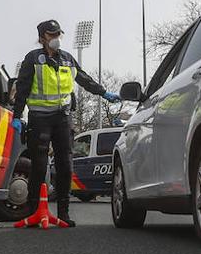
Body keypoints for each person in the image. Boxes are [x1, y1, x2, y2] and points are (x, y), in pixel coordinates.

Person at [11, 19, 120, 227]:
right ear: (42, 37)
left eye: (58, 34)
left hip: (62, 118)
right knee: (39, 165)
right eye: (51, 35)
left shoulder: (68, 59)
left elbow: (84, 79)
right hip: (39, 118)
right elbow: (23, 88)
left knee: (66, 165)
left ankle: (63, 212)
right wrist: (17, 115)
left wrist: (104, 93)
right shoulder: (33, 59)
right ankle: (35, 211)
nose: (56, 39)